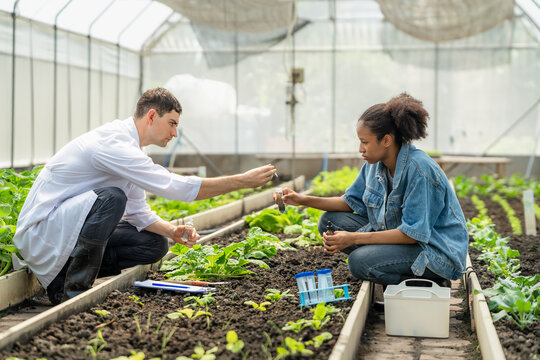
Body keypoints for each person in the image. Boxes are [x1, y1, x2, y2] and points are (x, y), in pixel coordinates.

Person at [13, 87, 276, 305]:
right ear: (152, 116)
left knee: (156, 244)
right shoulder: (114, 144)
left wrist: (172, 231)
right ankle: (68, 291)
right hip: (43, 231)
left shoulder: (134, 151)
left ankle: (72, 274)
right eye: (171, 124)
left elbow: (138, 212)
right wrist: (241, 181)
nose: (174, 133)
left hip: (65, 229)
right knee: (112, 198)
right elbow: (178, 188)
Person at [278, 93, 468, 286]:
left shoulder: (420, 171)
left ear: (386, 140)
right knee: (329, 221)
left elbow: (412, 235)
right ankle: (383, 261)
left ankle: (428, 281)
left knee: (360, 262)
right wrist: (302, 200)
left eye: (365, 142)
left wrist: (353, 238)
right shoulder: (374, 164)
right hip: (404, 240)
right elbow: (349, 202)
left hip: (433, 251)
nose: (360, 148)